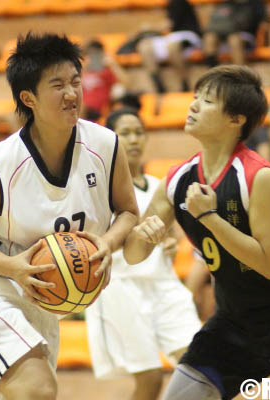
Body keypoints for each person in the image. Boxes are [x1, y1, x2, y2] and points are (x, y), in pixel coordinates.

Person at [0, 33, 139, 400]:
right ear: (28, 98)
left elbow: (128, 211)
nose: (72, 93)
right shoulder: (3, 162)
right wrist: (13, 266)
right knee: (38, 391)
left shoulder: (105, 145)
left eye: (75, 82)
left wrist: (107, 243)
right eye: (58, 85)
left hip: (41, 306)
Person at [123, 65, 270, 400]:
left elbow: (268, 264)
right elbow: (133, 254)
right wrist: (142, 236)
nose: (193, 106)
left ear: (236, 119)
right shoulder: (177, 179)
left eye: (206, 101)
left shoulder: (258, 176)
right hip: (234, 320)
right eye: (195, 97)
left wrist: (209, 217)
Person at [85, 108, 201, 400]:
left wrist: (171, 246)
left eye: (139, 132)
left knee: (200, 364)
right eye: (126, 133)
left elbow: (169, 235)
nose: (134, 139)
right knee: (150, 380)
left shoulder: (159, 185)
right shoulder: (97, 188)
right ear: (111, 139)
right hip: (121, 286)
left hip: (163, 284)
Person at [137, 0, 202, 93]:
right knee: (144, 46)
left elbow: (169, 25)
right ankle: (158, 83)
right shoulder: (167, 4)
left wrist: (150, 27)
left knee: (172, 47)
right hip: (171, 36)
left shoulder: (179, 3)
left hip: (187, 35)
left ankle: (184, 81)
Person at [203, 0, 267, 67]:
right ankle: (212, 69)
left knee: (234, 39)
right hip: (224, 33)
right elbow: (213, 23)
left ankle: (240, 72)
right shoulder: (225, 4)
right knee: (209, 37)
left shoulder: (254, 3)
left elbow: (259, 23)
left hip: (246, 35)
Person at [82, 39, 130, 122]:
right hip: (81, 106)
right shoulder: (82, 71)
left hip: (96, 109)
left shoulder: (107, 71)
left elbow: (127, 84)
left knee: (80, 107)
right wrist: (83, 67)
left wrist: (113, 64)